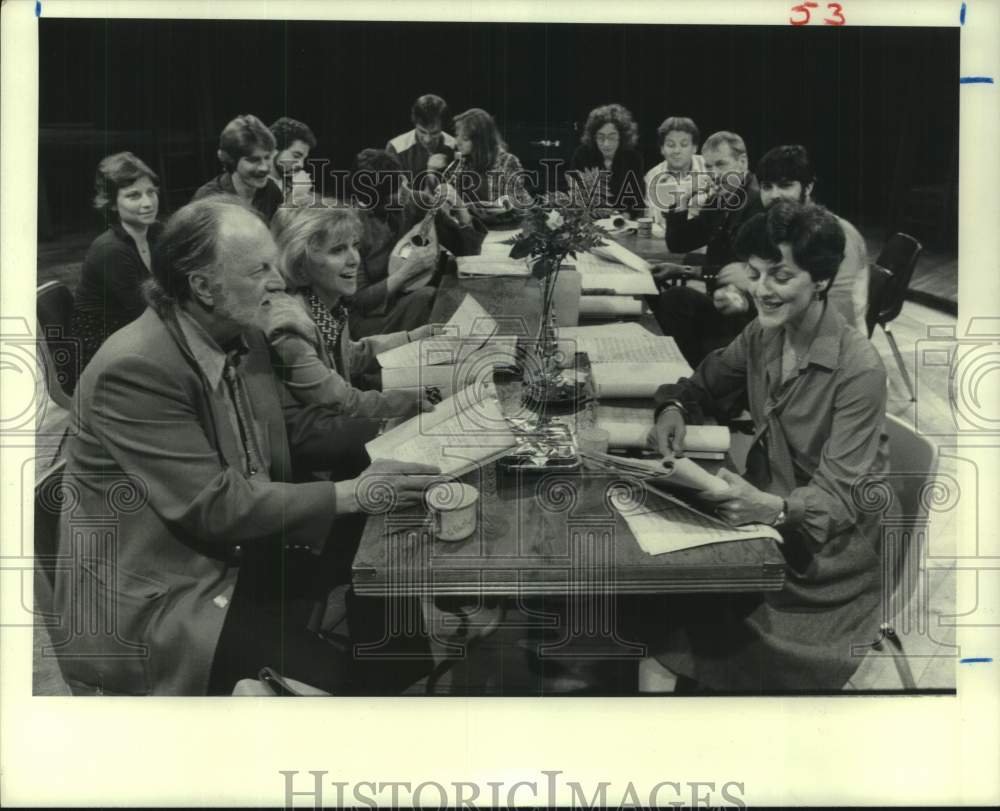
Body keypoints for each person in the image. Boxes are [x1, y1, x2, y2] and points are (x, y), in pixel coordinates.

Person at [51, 198, 440, 696]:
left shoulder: (241, 331)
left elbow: (293, 434)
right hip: (169, 595)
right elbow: (214, 506)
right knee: (342, 683)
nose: (278, 281)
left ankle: (403, 685)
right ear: (203, 286)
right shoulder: (134, 369)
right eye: (259, 269)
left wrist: (406, 437)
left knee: (392, 550)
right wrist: (353, 493)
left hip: (235, 552)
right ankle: (366, 710)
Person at [646, 200, 889, 692]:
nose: (761, 290)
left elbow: (839, 499)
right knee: (658, 603)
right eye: (756, 274)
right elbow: (702, 386)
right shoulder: (762, 333)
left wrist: (770, 509)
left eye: (780, 276)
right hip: (763, 522)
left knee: (671, 634)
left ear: (819, 280)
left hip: (822, 561)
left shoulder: (859, 369)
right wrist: (673, 409)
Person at [269, 203, 438, 418]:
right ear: (300, 264)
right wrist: (410, 401)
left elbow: (351, 355)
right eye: (337, 250)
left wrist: (414, 337)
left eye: (354, 245)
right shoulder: (290, 327)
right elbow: (343, 402)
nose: (354, 259)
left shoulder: (325, 305)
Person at [649, 130, 764, 371]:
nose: (714, 174)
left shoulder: (758, 203)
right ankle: (687, 372)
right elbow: (679, 243)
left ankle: (692, 375)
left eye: (721, 164)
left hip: (747, 310)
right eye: (709, 167)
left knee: (675, 300)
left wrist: (689, 271)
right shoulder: (721, 198)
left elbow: (738, 271)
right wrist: (681, 201)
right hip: (722, 302)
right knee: (655, 294)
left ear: (742, 162)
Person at [348, 148, 485, 339]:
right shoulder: (352, 227)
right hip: (377, 320)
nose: (405, 191)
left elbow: (468, 252)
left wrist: (461, 209)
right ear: (376, 200)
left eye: (403, 181)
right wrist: (406, 272)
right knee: (427, 297)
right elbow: (359, 301)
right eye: (396, 190)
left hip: (425, 300)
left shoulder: (417, 202)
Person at [755, 144, 869, 330]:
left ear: (808, 187)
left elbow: (841, 311)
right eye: (767, 187)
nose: (774, 195)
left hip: (833, 340)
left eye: (785, 185)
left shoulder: (838, 234)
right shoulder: (780, 228)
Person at [71, 152, 164, 372]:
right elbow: (145, 313)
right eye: (134, 196)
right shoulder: (110, 250)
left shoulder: (157, 233)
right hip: (101, 349)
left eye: (151, 192)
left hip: (136, 332)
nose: (148, 203)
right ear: (112, 204)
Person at [193, 114, 284, 223]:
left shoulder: (271, 191)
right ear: (231, 160)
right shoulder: (207, 199)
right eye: (253, 160)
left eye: (267, 157)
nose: (264, 168)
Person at [452, 107, 533, 219]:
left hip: (501, 228)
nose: (457, 143)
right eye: (457, 135)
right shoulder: (461, 162)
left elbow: (523, 204)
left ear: (480, 140)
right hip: (470, 227)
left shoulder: (508, 161)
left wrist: (509, 204)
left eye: (465, 138)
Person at [570, 103, 645, 217]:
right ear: (593, 137)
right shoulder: (582, 155)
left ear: (622, 136)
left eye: (612, 137)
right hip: (591, 223)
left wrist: (624, 217)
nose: (606, 144)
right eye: (600, 137)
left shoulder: (634, 158)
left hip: (623, 223)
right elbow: (576, 196)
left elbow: (637, 200)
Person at [643, 116, 709, 231]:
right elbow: (655, 220)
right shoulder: (652, 176)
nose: (677, 151)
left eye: (684, 145)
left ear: (694, 148)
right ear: (662, 149)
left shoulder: (709, 167)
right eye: (671, 145)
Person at [386, 93, 457, 181]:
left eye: (434, 133)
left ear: (443, 127)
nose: (428, 139)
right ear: (414, 123)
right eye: (422, 132)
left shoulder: (456, 147)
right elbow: (394, 192)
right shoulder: (396, 148)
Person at [268, 116, 317, 203]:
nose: (301, 165)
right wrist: (295, 197)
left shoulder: (291, 185)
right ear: (274, 149)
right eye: (296, 156)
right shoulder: (254, 184)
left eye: (303, 158)